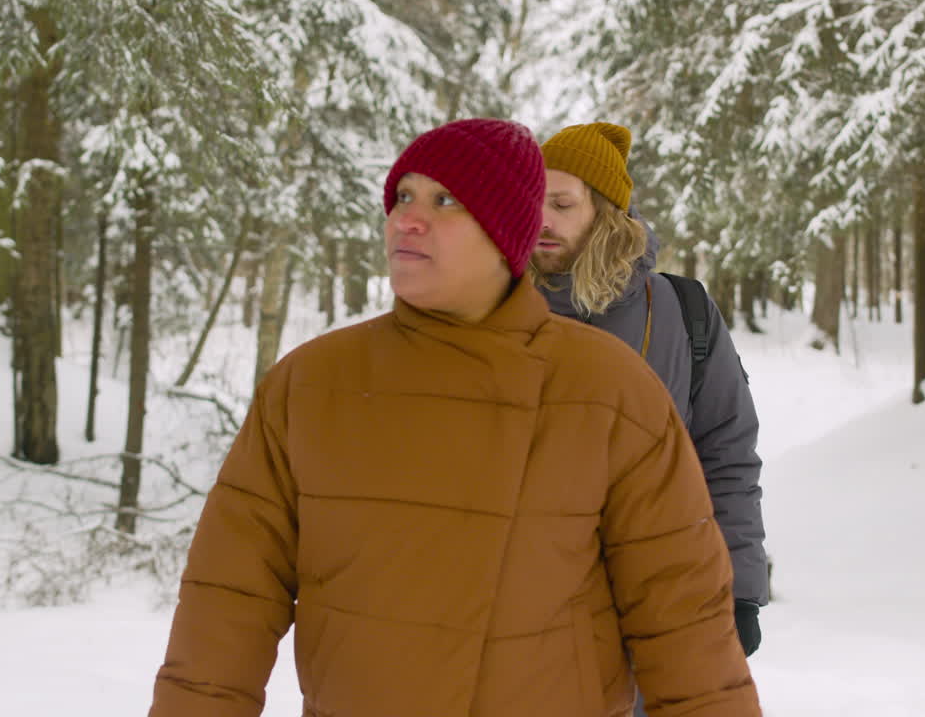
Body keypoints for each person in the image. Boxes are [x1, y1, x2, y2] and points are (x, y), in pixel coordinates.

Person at [148, 118, 761, 717]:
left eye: (446, 199)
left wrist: (743, 595)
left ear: (505, 225)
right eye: (403, 196)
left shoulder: (613, 385)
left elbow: (683, 614)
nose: (408, 218)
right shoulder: (309, 385)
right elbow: (226, 604)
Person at [534, 122, 768, 678]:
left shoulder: (682, 313)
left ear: (606, 214)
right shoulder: (488, 307)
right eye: (532, 201)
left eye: (562, 204)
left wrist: (737, 590)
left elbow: (726, 454)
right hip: (518, 620)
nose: (541, 219)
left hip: (651, 615)